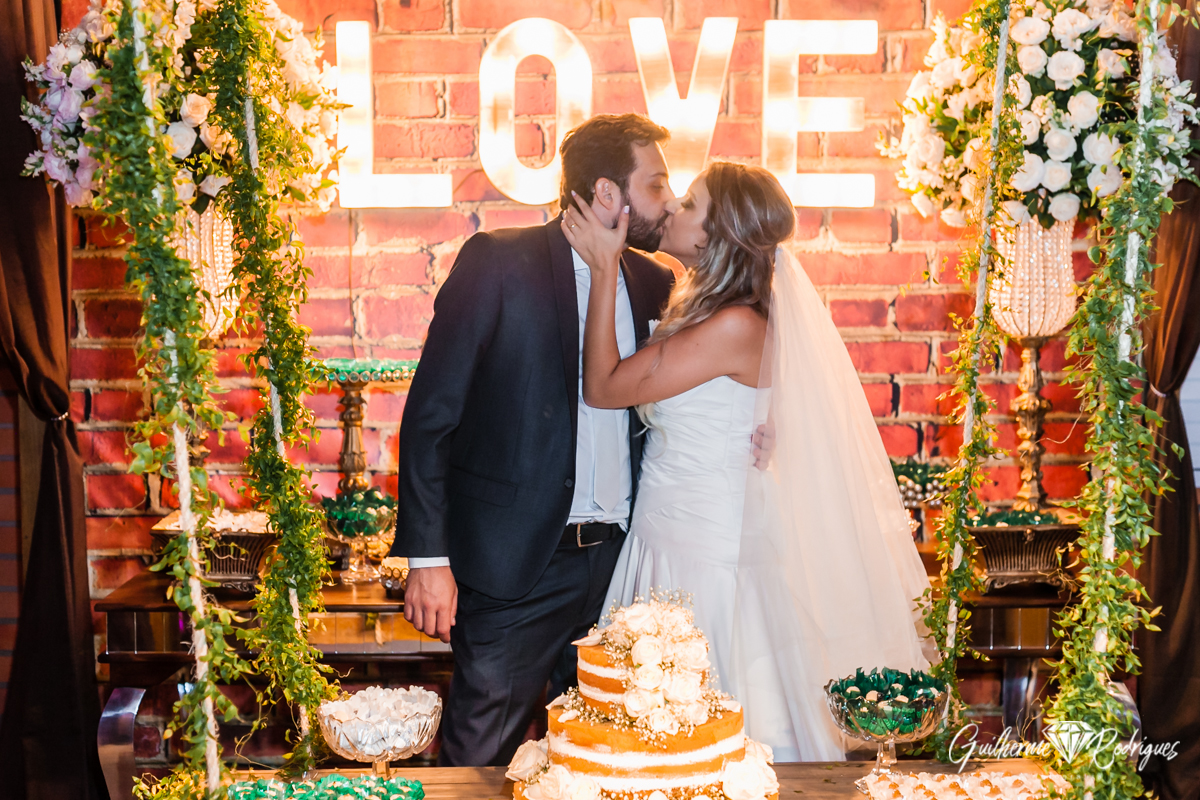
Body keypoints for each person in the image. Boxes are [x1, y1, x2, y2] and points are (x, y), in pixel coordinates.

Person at [562, 161, 938, 761]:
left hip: (703, 558)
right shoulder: (722, 313)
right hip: (673, 534)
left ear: (715, 235)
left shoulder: (735, 324)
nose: (673, 210)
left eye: (689, 205)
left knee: (704, 735)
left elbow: (605, 388)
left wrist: (604, 266)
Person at [389, 113, 677, 767]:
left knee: (606, 764)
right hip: (516, 568)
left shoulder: (655, 282)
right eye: (656, 184)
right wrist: (427, 560)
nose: (670, 199)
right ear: (608, 193)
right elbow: (432, 414)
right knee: (478, 759)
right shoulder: (498, 262)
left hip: (621, 574)